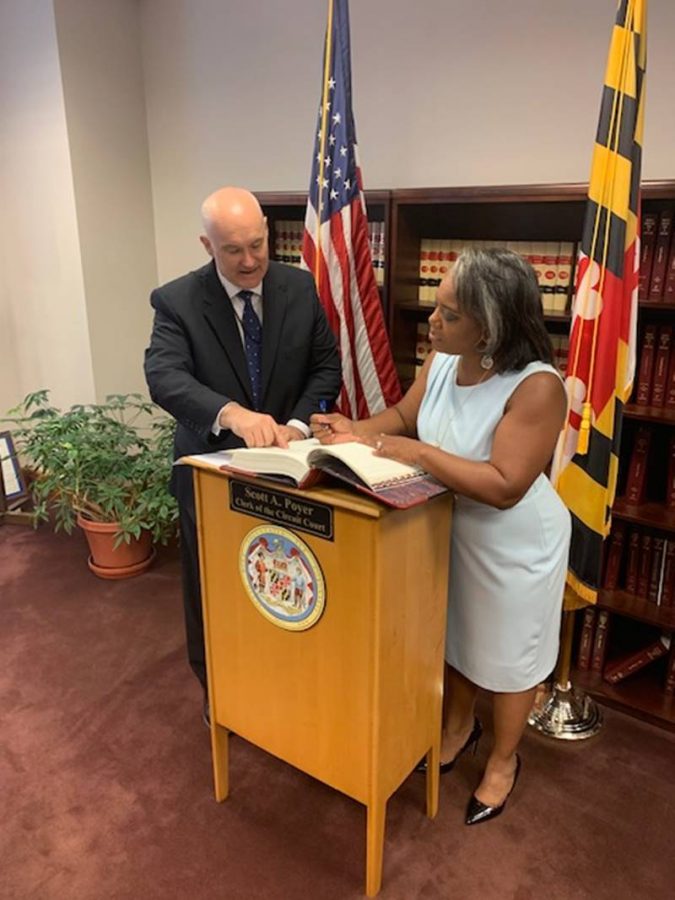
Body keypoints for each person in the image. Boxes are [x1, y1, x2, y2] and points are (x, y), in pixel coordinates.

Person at [311, 248, 571, 826]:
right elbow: (404, 419)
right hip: (446, 526)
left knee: (508, 659)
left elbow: (504, 484)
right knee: (453, 639)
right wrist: (356, 431)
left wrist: (418, 455)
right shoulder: (444, 359)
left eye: (450, 314)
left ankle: (503, 760)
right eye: (437, 306)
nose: (433, 321)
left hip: (514, 544)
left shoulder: (537, 387)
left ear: (491, 324)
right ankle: (457, 727)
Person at [144, 187, 341, 721]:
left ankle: (284, 673)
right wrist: (232, 413)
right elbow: (164, 378)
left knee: (288, 578)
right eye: (234, 251)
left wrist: (297, 425)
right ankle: (219, 687)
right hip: (213, 471)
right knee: (213, 585)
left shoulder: (299, 288)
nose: (251, 260)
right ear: (208, 245)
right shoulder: (177, 300)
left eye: (259, 244)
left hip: (287, 468)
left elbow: (327, 366)